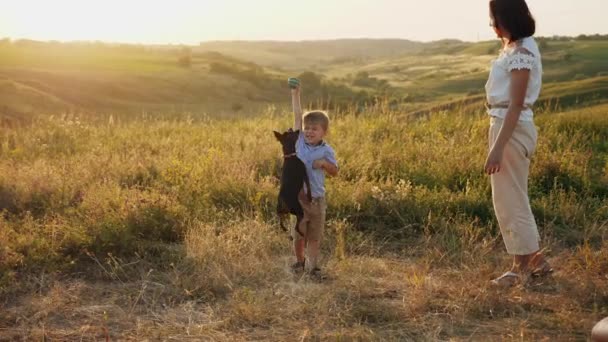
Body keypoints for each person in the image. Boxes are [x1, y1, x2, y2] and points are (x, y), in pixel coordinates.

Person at [484, 0, 552, 287]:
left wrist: (497, 148)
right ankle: (537, 261)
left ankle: (520, 268)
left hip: (510, 128)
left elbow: (515, 105)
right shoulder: (516, 47)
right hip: (505, 125)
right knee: (511, 196)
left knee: (510, 199)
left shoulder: (522, 52)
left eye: (493, 18)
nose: (491, 24)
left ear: (505, 20)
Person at [288, 78, 338, 279]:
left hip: (317, 200)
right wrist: (296, 94)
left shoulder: (327, 150)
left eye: (314, 128)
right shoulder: (299, 142)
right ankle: (299, 262)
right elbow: (297, 116)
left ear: (323, 132)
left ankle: (313, 267)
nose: (309, 131)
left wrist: (324, 164)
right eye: (307, 128)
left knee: (314, 237)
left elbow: (335, 172)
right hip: (300, 200)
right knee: (299, 236)